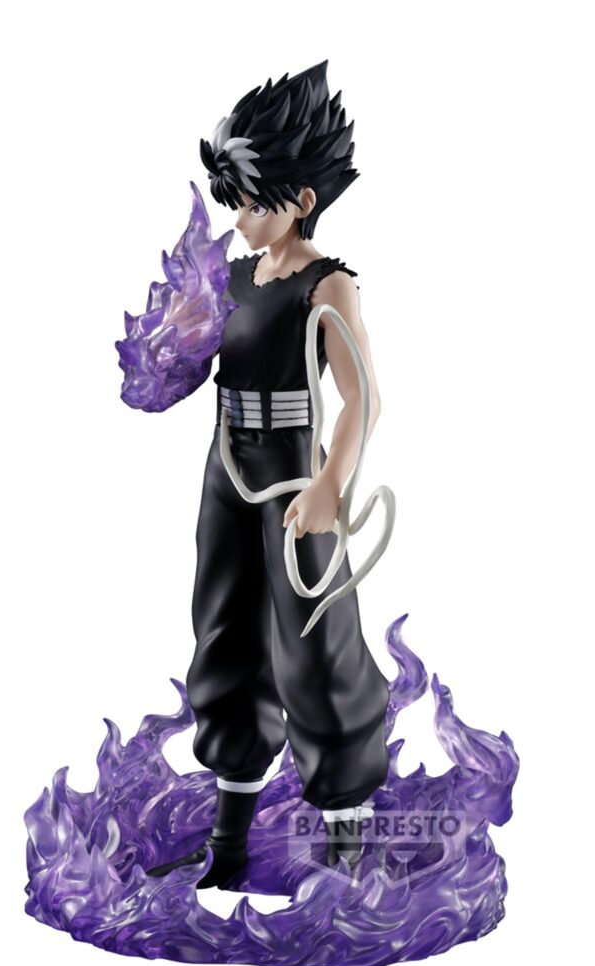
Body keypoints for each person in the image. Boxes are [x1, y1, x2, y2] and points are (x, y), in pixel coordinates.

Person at [147, 60, 390, 888]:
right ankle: (229, 844)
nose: (241, 220)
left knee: (316, 645)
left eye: (254, 203)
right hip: (225, 468)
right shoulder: (234, 280)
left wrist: (330, 486)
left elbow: (364, 399)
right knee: (224, 638)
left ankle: (346, 848)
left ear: (301, 198)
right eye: (237, 202)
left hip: (292, 479)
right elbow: (186, 364)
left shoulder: (328, 286)